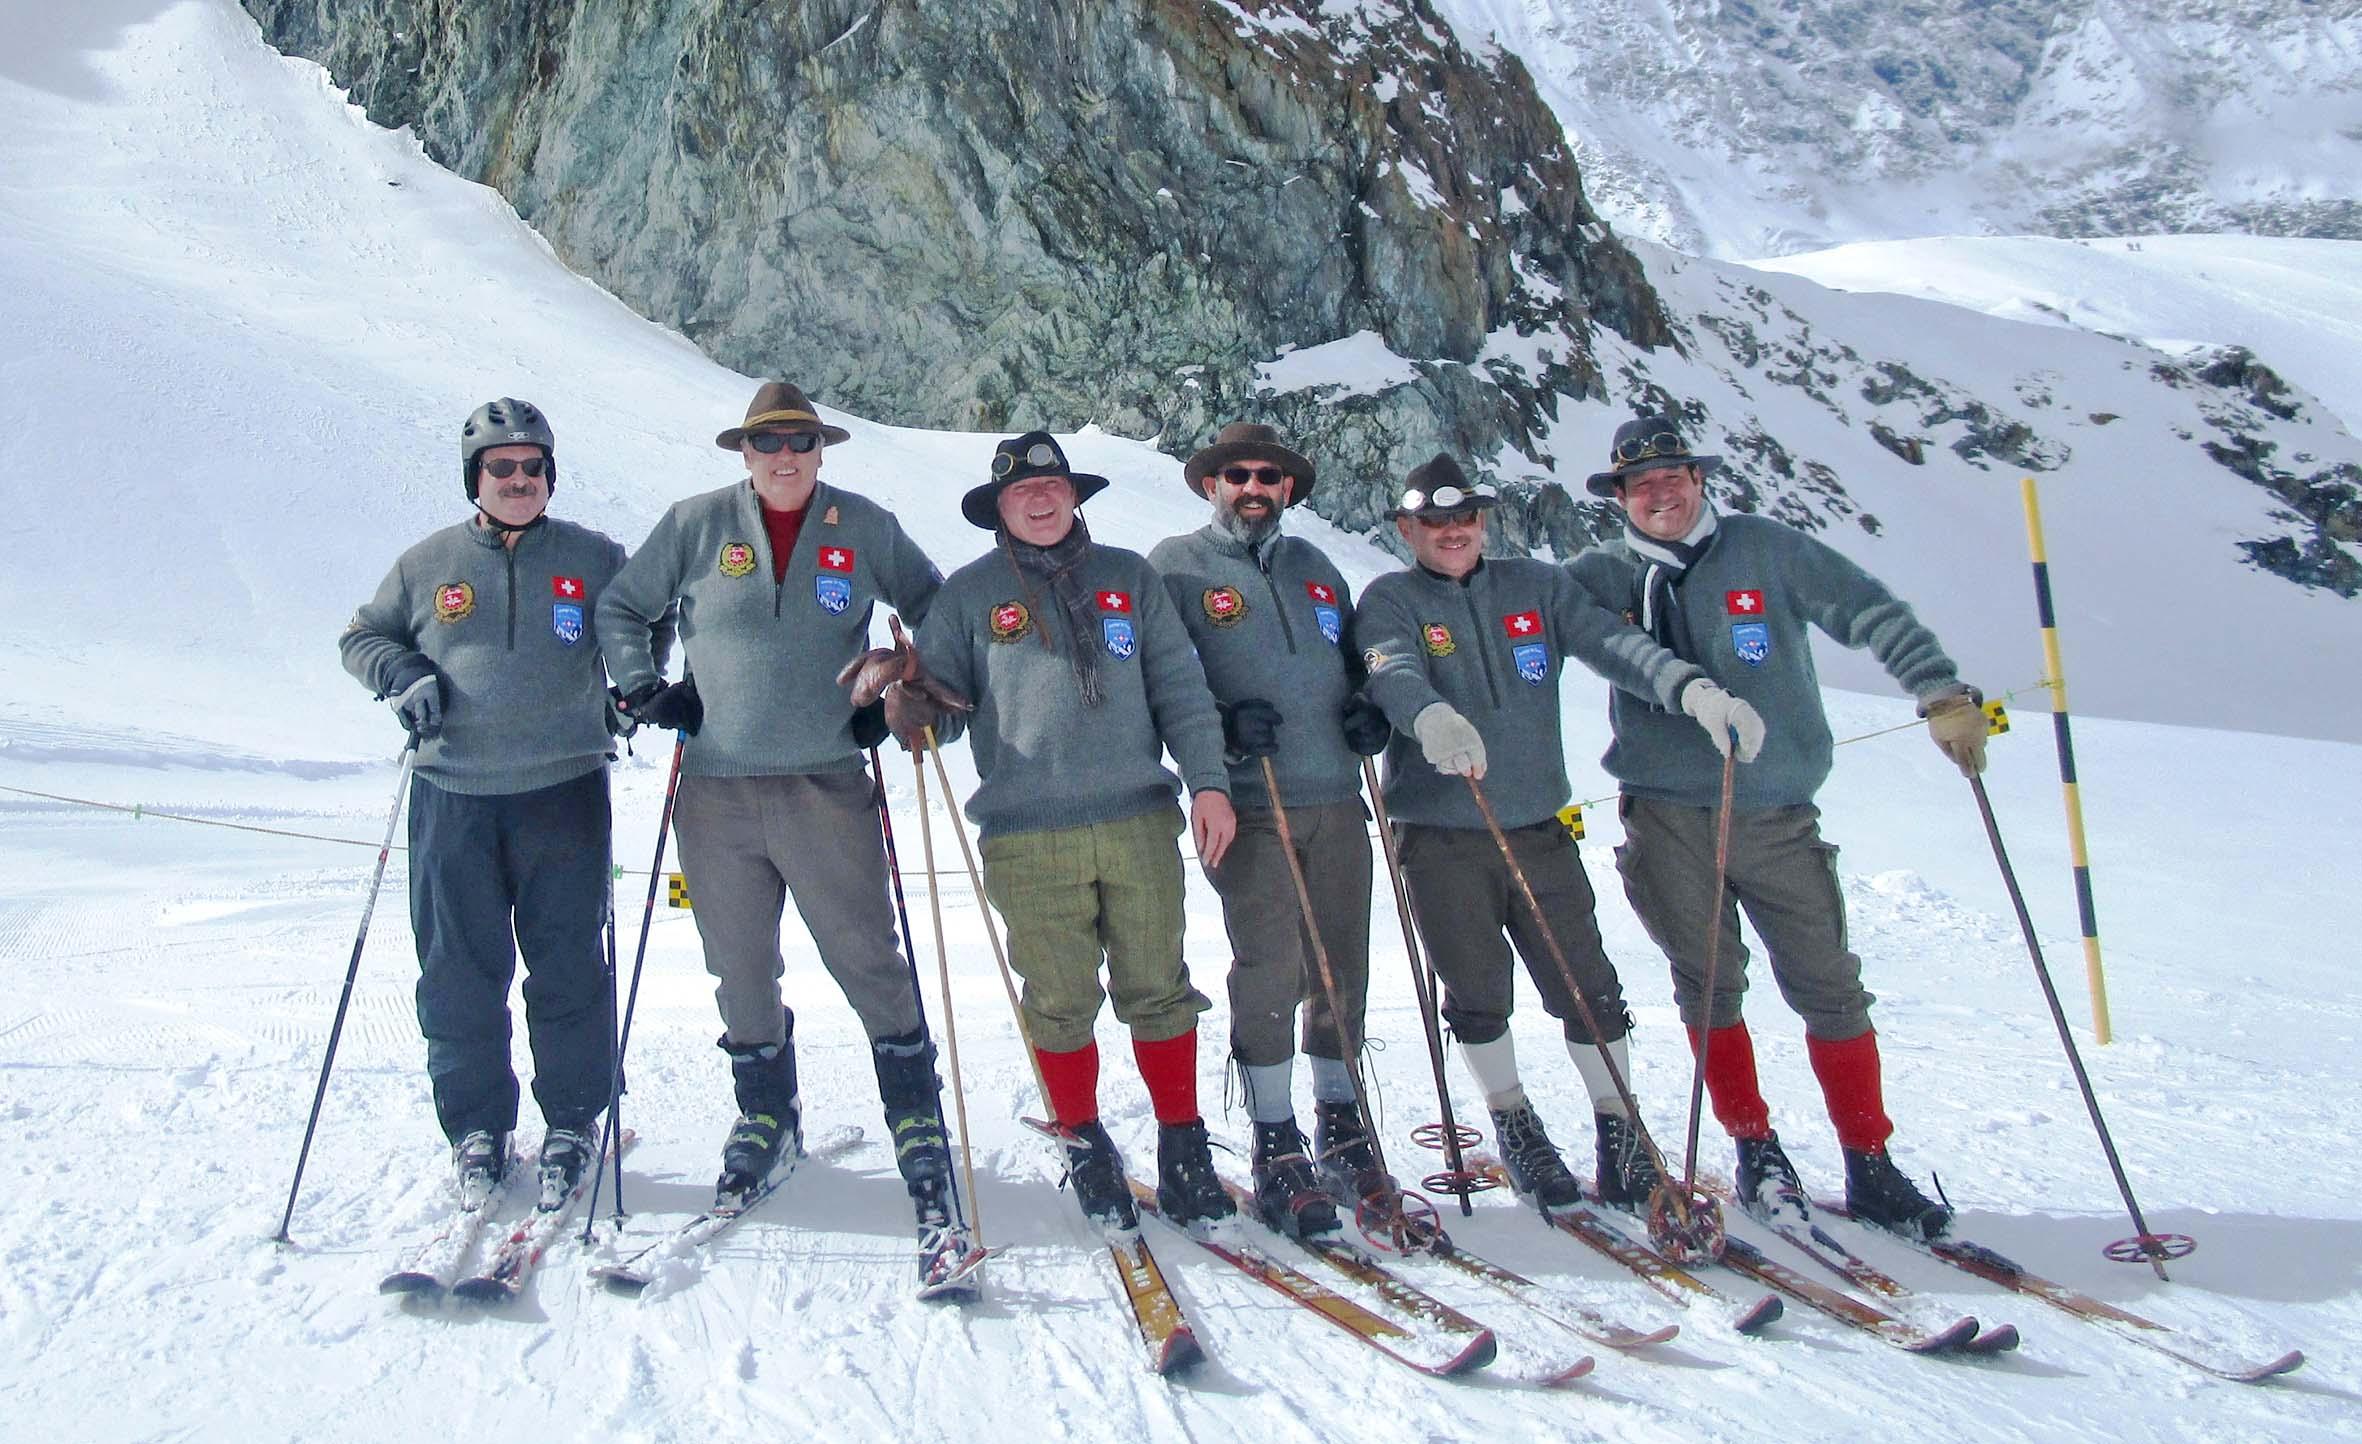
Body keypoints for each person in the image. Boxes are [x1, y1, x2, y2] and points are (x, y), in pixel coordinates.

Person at [1571, 412, 1988, 1241]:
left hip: (1778, 811)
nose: (1660, 494)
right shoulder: (1600, 575)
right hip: (1666, 814)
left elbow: (1869, 610)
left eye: (1673, 477)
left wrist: (1940, 691)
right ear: (1619, 496)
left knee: (1828, 983)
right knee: (1710, 984)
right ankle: (1755, 1149)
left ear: (1699, 480)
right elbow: (1534, 627)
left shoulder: (1769, 549)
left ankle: (1869, 1158)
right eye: (1641, 483)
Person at [594, 381, 961, 1245]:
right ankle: (768, 1117)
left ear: (822, 450)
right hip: (715, 790)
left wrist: (900, 679)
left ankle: (914, 1117)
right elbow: (620, 606)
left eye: (800, 441)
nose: (786, 456)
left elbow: (936, 608)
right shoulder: (694, 525)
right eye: (769, 443)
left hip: (826, 782)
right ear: (746, 454)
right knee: (737, 962)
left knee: (866, 954)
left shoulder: (862, 526)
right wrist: (646, 688)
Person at [1353, 453, 1763, 1215]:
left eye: (1466, 517)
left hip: (1539, 826)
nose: (1453, 532)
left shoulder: (1535, 588)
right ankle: (1514, 1121)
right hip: (1440, 838)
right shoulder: (1390, 598)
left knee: (1588, 985)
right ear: (1407, 528)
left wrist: (1693, 692)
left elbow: (1616, 646)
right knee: (1476, 992)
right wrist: (1428, 715)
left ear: (1485, 519)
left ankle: (1620, 1130)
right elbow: (1390, 669)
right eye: (1434, 521)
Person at [880, 431, 1240, 1234]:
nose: (1040, 501)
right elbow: (930, 708)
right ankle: (1084, 1142)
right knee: (1060, 999)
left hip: (1139, 819)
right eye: (1021, 492)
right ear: (999, 507)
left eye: (1053, 487)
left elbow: (1181, 688)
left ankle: (1183, 1147)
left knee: (1159, 987)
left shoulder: (1129, 578)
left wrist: (1209, 783)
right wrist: (908, 707)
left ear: (1073, 494)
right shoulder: (969, 596)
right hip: (1025, 832)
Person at [339, 397, 641, 1211]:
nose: (518, 479)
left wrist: (625, 691)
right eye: (500, 468)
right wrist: (403, 676)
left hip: (565, 791)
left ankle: (575, 1120)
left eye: (532, 467)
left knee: (569, 966)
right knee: (459, 972)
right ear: (475, 477)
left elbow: (646, 625)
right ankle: (477, 1128)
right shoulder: (427, 563)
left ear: (550, 475)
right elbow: (363, 637)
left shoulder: (595, 556)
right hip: (453, 795)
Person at [1145, 422, 1391, 1238]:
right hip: (1249, 802)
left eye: (1271, 477)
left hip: (1335, 799)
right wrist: (1220, 722)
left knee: (1341, 965)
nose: (1255, 487)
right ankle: (1274, 1137)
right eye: (1239, 474)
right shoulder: (1174, 568)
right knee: (1272, 961)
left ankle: (1341, 1121)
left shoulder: (1318, 569)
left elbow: (1355, 668)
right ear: (1212, 484)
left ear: (1288, 490)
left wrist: (1366, 713)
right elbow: (1158, 681)